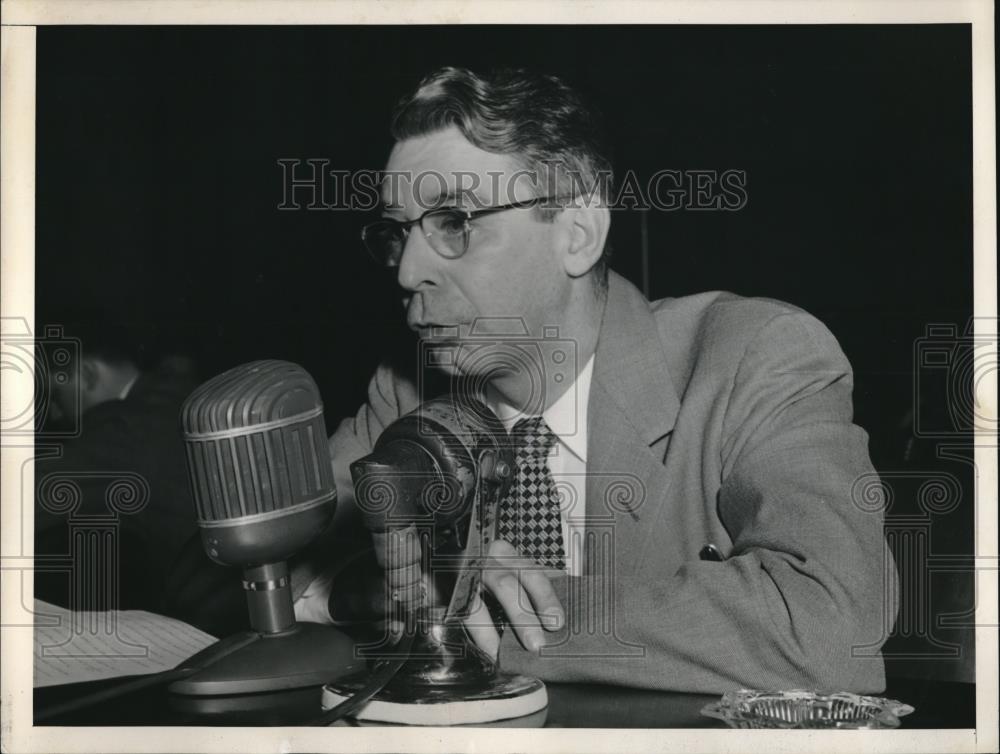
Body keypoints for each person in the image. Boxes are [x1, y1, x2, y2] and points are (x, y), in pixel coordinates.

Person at [293, 65, 898, 693]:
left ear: (578, 234)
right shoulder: (405, 394)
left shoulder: (754, 356)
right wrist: (368, 586)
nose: (407, 270)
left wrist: (467, 600)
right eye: (397, 234)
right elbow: (234, 570)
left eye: (454, 222)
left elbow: (829, 625)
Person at [34, 313, 200, 614]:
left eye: (55, 395)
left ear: (85, 374)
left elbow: (26, 499)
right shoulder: (176, 390)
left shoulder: (129, 423)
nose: (56, 414)